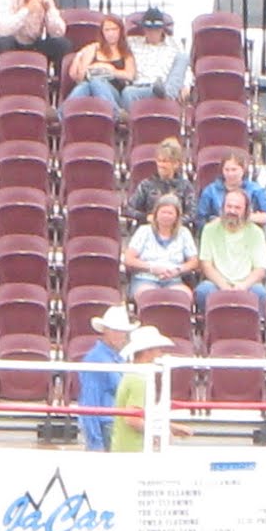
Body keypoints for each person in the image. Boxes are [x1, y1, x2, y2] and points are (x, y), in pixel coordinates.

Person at [195, 190, 266, 313]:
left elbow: (260, 269)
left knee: (260, 293)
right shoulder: (209, 229)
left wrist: (242, 286)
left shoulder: (256, 233)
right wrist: (223, 286)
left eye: (237, 208)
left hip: (246, 284)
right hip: (217, 282)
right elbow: (206, 265)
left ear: (246, 210)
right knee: (203, 291)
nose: (232, 211)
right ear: (223, 207)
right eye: (229, 206)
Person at [77, 304, 137, 452]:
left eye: (122, 331)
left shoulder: (116, 358)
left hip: (114, 425)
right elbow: (89, 403)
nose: (119, 335)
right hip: (106, 426)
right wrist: (95, 443)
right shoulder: (96, 359)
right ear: (104, 331)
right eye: (114, 330)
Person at [110, 324, 178, 454]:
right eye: (158, 349)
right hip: (134, 451)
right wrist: (159, 432)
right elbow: (132, 419)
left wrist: (169, 428)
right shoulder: (139, 380)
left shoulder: (132, 376)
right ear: (147, 351)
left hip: (126, 448)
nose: (160, 354)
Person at [125, 194, 198, 299]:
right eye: (163, 212)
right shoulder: (144, 231)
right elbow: (128, 259)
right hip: (145, 278)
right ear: (156, 214)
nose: (166, 216)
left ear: (177, 216)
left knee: (185, 296)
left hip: (173, 280)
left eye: (170, 213)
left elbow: (194, 262)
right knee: (149, 296)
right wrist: (151, 268)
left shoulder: (184, 233)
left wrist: (178, 270)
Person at [64, 14, 136, 111]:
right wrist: (84, 61)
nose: (111, 33)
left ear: (120, 31)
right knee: (86, 85)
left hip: (115, 92)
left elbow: (130, 75)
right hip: (90, 88)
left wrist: (111, 70)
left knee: (96, 81)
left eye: (114, 29)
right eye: (107, 30)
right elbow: (79, 77)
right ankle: (63, 114)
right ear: (102, 32)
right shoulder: (94, 48)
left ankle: (115, 112)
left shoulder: (125, 51)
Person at [195, 150, 266, 230]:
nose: (230, 174)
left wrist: (245, 217)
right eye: (227, 170)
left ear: (243, 169)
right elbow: (200, 220)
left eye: (234, 170)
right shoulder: (210, 191)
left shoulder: (256, 190)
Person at [123, 7, 189, 106]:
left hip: (166, 85)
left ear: (162, 29)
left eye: (156, 30)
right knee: (127, 92)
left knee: (183, 57)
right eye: (149, 30)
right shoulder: (132, 42)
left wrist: (186, 85)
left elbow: (185, 68)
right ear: (144, 29)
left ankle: (167, 94)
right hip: (141, 87)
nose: (153, 33)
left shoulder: (175, 43)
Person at [127, 137, 196, 226]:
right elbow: (129, 209)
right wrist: (146, 217)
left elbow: (192, 213)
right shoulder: (146, 185)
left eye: (165, 161)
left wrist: (172, 222)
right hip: (150, 229)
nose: (161, 165)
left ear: (176, 164)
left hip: (177, 230)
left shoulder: (185, 186)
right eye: (159, 161)